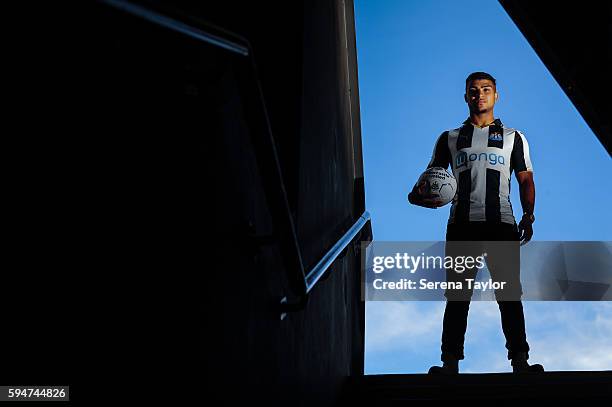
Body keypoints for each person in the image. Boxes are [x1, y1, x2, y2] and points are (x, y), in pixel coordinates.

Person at [408, 72, 544, 374]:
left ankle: (520, 362)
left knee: (509, 294)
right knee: (457, 295)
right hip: (461, 225)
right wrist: (418, 196)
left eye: (486, 90)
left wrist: (529, 214)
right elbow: (431, 179)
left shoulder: (513, 137)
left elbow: (526, 179)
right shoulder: (450, 138)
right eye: (473, 90)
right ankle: (450, 364)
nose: (479, 95)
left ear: (496, 96)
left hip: (502, 224)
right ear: (466, 96)